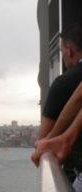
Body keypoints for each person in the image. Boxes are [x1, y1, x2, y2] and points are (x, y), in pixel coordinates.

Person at [33, 23, 82, 171]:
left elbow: (43, 139)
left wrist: (53, 139)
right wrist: (63, 138)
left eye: (61, 51)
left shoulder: (62, 83)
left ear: (69, 50)